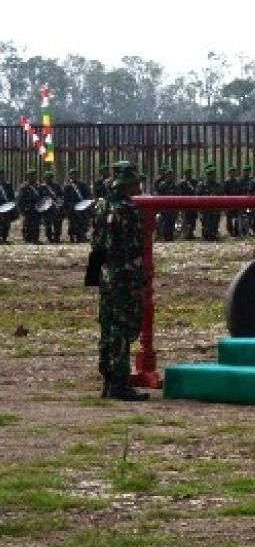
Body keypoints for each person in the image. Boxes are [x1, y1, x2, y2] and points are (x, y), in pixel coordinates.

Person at [90, 160, 149, 400]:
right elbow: (133, 250)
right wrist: (139, 283)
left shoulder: (101, 206)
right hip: (123, 276)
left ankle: (108, 381)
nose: (138, 185)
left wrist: (95, 277)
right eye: (136, 182)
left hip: (105, 275)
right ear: (127, 184)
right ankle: (120, 384)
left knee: (108, 327)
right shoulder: (128, 209)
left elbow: (96, 244)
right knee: (123, 330)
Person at [0, 169, 15, 244]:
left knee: (7, 224)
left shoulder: (8, 185)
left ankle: (4, 238)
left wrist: (12, 204)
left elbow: (12, 196)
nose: (1, 176)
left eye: (2, 174)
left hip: (7, 207)